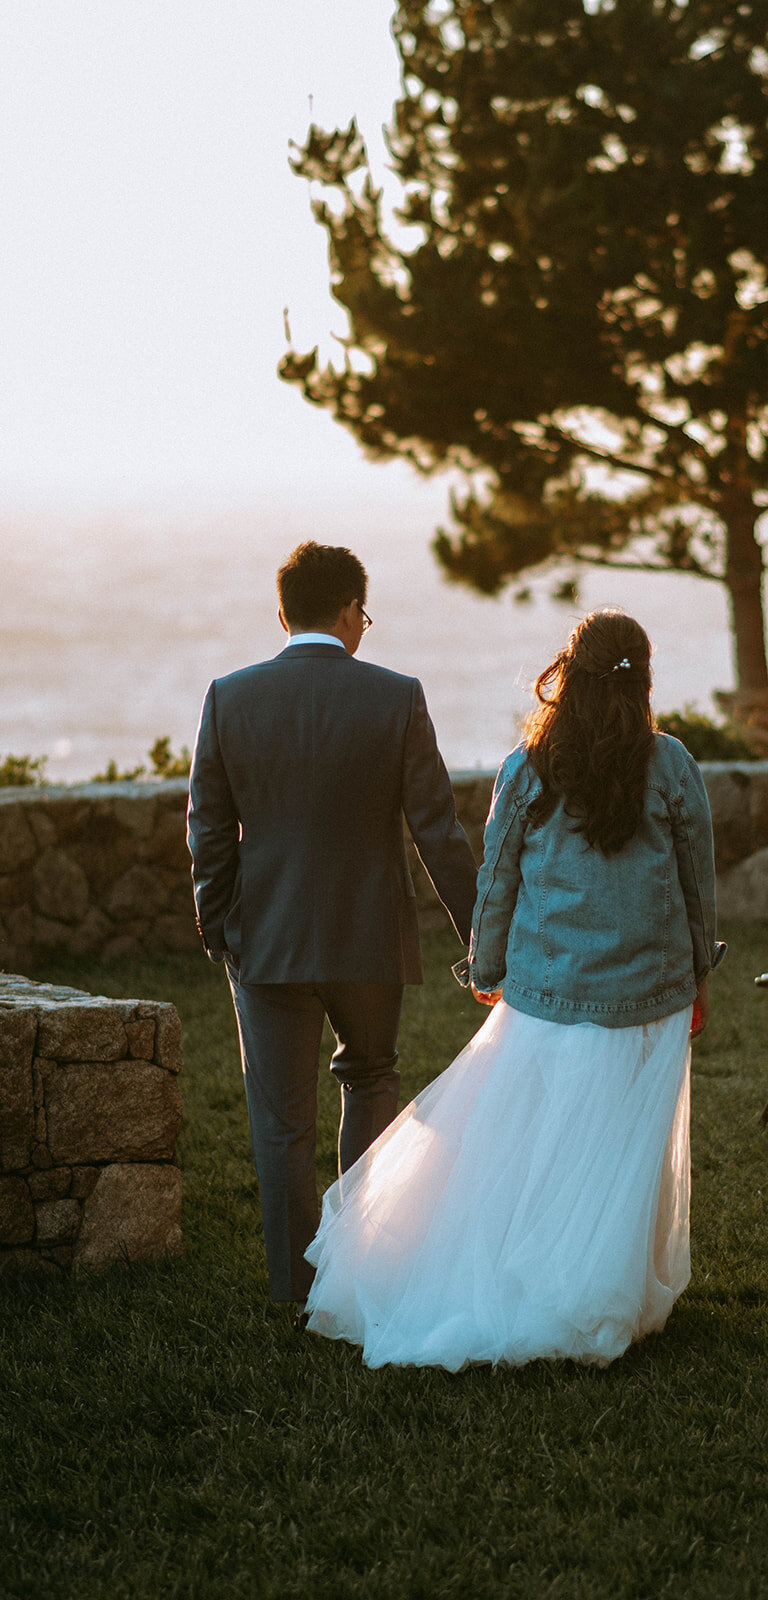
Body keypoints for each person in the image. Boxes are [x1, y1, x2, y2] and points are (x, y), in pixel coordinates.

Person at [303, 608, 724, 1368]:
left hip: (548, 986)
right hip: (648, 992)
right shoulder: (671, 764)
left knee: (540, 1143)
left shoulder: (526, 767)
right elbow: (697, 882)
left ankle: (541, 1277)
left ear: (569, 672)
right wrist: (697, 974)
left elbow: (496, 880)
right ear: (643, 679)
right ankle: (600, 1292)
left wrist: (488, 968)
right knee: (621, 1147)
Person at [187, 540, 478, 1313]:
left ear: (282, 612)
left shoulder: (229, 696)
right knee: (371, 1082)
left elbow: (208, 831)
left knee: (280, 1124)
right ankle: (363, 1275)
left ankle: (292, 1289)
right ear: (350, 610)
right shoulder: (395, 696)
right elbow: (437, 831)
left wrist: (219, 926)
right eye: (364, 615)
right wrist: (483, 936)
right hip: (367, 935)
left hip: (266, 938)